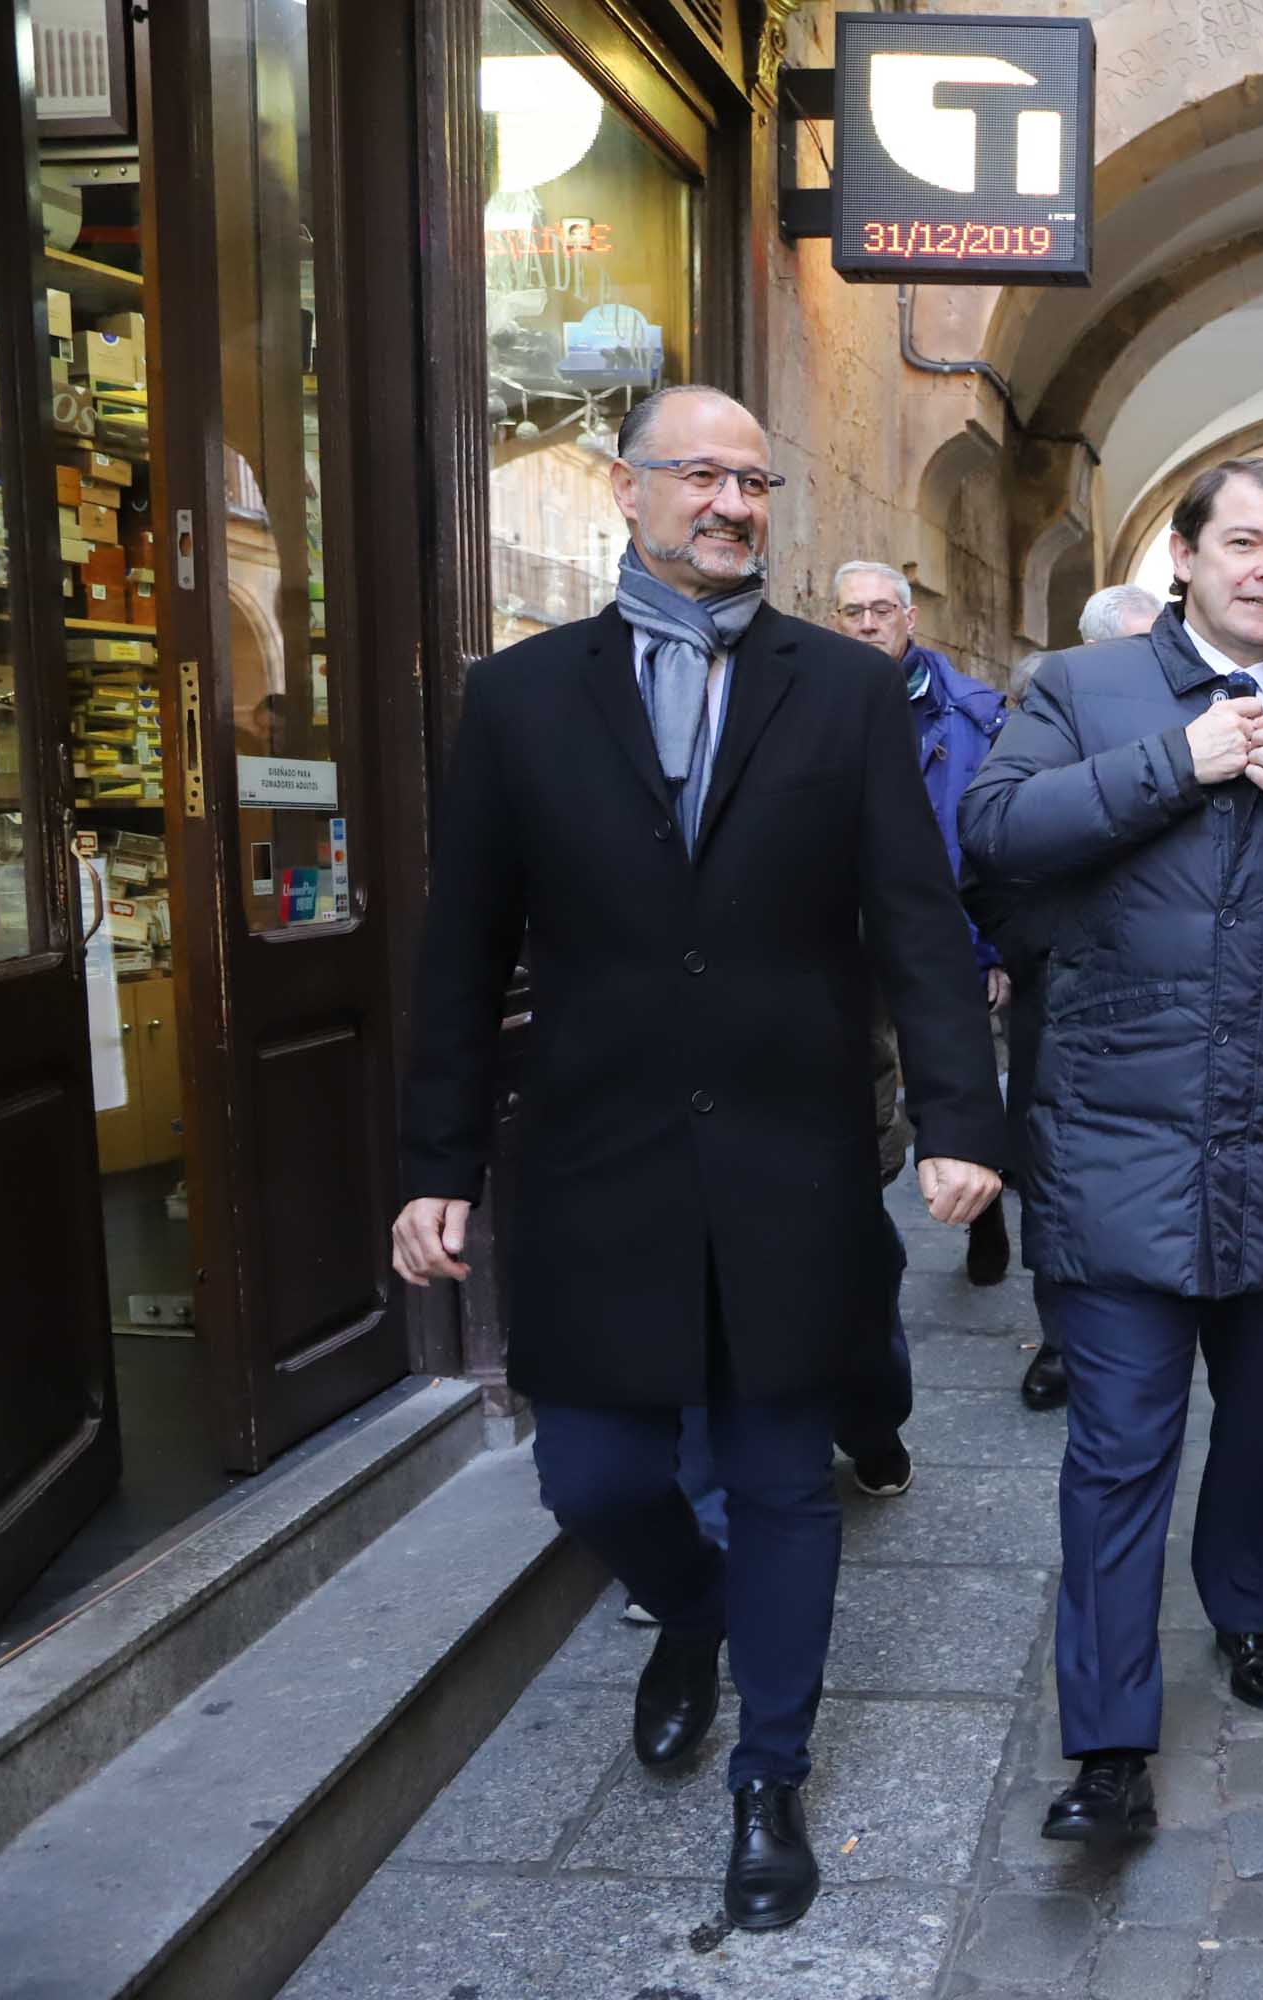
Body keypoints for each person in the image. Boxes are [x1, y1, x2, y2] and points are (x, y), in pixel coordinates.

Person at [390, 386, 1006, 1929]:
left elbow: (917, 927)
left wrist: (957, 1122)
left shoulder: (844, 694)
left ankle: (769, 1778)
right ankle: (693, 1609)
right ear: (627, 490)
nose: (732, 505)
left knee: (780, 1472)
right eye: (701, 477)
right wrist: (434, 1160)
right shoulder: (520, 699)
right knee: (594, 1473)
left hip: (792, 1149)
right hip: (598, 1156)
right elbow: (459, 951)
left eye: (755, 479)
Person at [961, 459, 1263, 1843]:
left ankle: (1246, 1615)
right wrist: (1171, 766)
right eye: (1242, 541)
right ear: (1182, 556)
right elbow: (992, 833)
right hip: (1113, 1143)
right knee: (1117, 1451)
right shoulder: (1082, 691)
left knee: (1258, 1433)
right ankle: (1108, 1744)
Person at [1000, 584, 1172, 1415]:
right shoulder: (1047, 721)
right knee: (1055, 1167)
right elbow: (993, 848)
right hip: (1066, 988)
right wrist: (1038, 952)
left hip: (1162, 992)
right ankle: (1063, 1340)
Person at [832, 561, 1015, 1300]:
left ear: (911, 619)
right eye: (853, 613)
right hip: (845, 931)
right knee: (863, 1073)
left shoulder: (975, 713)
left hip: (943, 928)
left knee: (953, 1073)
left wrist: (995, 946)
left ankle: (985, 1206)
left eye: (882, 610)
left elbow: (996, 842)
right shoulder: (816, 700)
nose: (868, 624)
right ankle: (869, 1213)